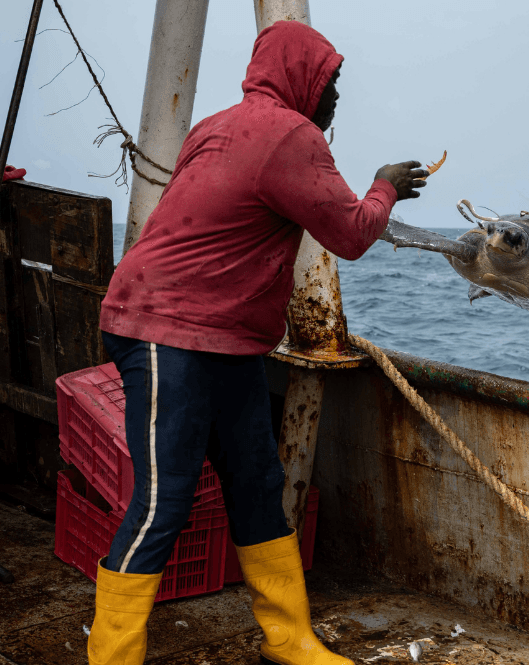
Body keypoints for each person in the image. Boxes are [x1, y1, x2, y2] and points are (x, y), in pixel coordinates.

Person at [89, 20, 425, 665]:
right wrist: (384, 184)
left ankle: (289, 639)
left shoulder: (214, 124)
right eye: (331, 84)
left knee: (256, 479)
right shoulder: (291, 133)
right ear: (304, 80)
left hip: (223, 335)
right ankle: (111, 656)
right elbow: (351, 235)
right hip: (167, 329)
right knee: (164, 502)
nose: (334, 100)